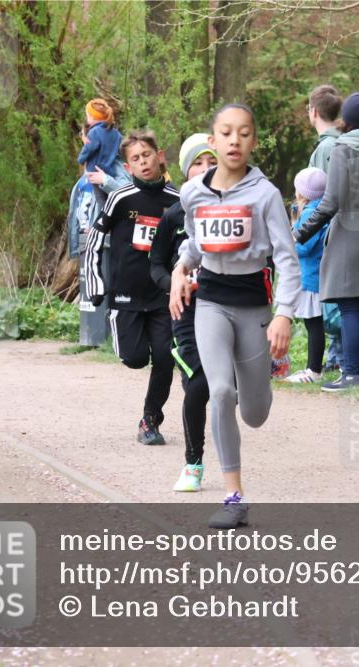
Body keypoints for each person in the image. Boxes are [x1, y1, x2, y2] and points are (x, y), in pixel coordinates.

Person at [169, 104, 300, 529]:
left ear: (253, 142)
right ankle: (234, 496)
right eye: (226, 133)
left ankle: (259, 382)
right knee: (220, 391)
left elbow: (286, 256)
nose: (234, 141)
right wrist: (179, 270)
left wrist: (284, 315)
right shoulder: (193, 194)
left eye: (244, 133)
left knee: (255, 412)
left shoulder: (265, 195)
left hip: (255, 307)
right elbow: (192, 243)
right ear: (213, 141)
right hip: (210, 304)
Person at [294, 92, 359, 391]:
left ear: (346, 120)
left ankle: (351, 374)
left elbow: (330, 203)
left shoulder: (341, 151)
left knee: (351, 308)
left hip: (347, 238)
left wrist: (300, 233)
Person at [85, 129, 178, 446]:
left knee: (165, 358)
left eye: (147, 155)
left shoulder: (176, 202)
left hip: (162, 296)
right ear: (128, 167)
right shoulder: (120, 198)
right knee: (135, 358)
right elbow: (95, 241)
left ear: (160, 155)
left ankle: (150, 419)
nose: (143, 162)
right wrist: (96, 282)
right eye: (136, 159)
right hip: (125, 296)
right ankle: (131, 348)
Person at [150, 133, 218, 491]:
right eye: (198, 163)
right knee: (199, 384)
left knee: (223, 387)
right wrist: (173, 283)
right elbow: (156, 265)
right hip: (185, 311)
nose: (206, 170)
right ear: (184, 170)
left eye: (212, 163)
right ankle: (193, 464)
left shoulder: (232, 208)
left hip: (226, 307)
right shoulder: (173, 215)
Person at [68, 124, 133, 347]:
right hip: (90, 243)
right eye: (84, 140)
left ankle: (110, 340)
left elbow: (128, 195)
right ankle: (92, 338)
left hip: (109, 243)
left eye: (88, 140)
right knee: (92, 293)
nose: (86, 145)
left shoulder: (113, 168)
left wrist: (105, 180)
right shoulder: (85, 175)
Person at [306, 84, 345, 373]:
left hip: (327, 232)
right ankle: (337, 354)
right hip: (341, 227)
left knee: (331, 296)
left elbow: (322, 197)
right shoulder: (342, 143)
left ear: (314, 112)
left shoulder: (326, 149)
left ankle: (337, 356)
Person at [286, 167, 330, 383]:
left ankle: (313, 371)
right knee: (313, 324)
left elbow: (304, 247)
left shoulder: (312, 214)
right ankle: (313, 368)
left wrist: (288, 243)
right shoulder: (317, 210)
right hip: (314, 275)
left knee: (314, 324)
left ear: (302, 192)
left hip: (311, 277)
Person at [78, 98, 123, 209]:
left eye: (88, 116)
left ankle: (104, 220)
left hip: (95, 171)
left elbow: (89, 148)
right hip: (110, 171)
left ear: (93, 118)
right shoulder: (116, 134)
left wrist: (81, 159)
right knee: (110, 198)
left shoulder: (94, 132)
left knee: (100, 200)